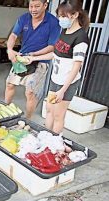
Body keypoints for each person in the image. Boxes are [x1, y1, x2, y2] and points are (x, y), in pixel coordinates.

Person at [23, 0, 90, 134]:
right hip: (56, 79)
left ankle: (54, 141)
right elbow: (55, 54)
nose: (61, 19)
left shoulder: (81, 38)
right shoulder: (64, 31)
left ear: (75, 14)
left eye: (64, 16)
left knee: (58, 115)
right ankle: (46, 136)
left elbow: (77, 67)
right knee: (49, 110)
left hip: (67, 83)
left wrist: (63, 90)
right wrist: (34, 58)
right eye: (59, 16)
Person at [5, 0, 61, 119]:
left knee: (30, 92)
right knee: (10, 84)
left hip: (41, 60)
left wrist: (33, 55)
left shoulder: (53, 22)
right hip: (23, 58)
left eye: (37, 6)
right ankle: (5, 111)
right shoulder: (23, 18)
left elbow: (52, 47)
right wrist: (10, 49)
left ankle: (27, 119)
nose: (33, 10)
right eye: (31, 6)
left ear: (45, 5)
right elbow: (13, 35)